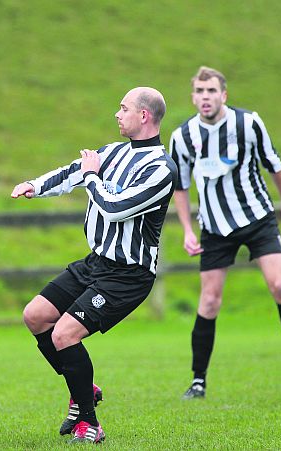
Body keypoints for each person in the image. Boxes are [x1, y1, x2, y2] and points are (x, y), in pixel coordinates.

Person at [12, 87, 177, 443]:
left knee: (64, 334)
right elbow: (72, 172)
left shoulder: (162, 170)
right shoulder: (113, 152)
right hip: (95, 264)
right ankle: (84, 388)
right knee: (35, 316)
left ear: (144, 116)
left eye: (124, 108)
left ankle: (89, 422)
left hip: (128, 274)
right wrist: (33, 185)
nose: (117, 114)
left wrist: (91, 176)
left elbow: (115, 207)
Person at [168, 66, 281, 399]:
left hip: (257, 217)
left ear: (224, 95)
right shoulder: (182, 137)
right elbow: (179, 186)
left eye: (211, 91)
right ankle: (198, 382)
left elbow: (274, 163)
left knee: (280, 286)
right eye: (199, 91)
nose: (205, 97)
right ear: (193, 96)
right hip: (215, 227)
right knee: (209, 300)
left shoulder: (248, 123)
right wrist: (186, 229)